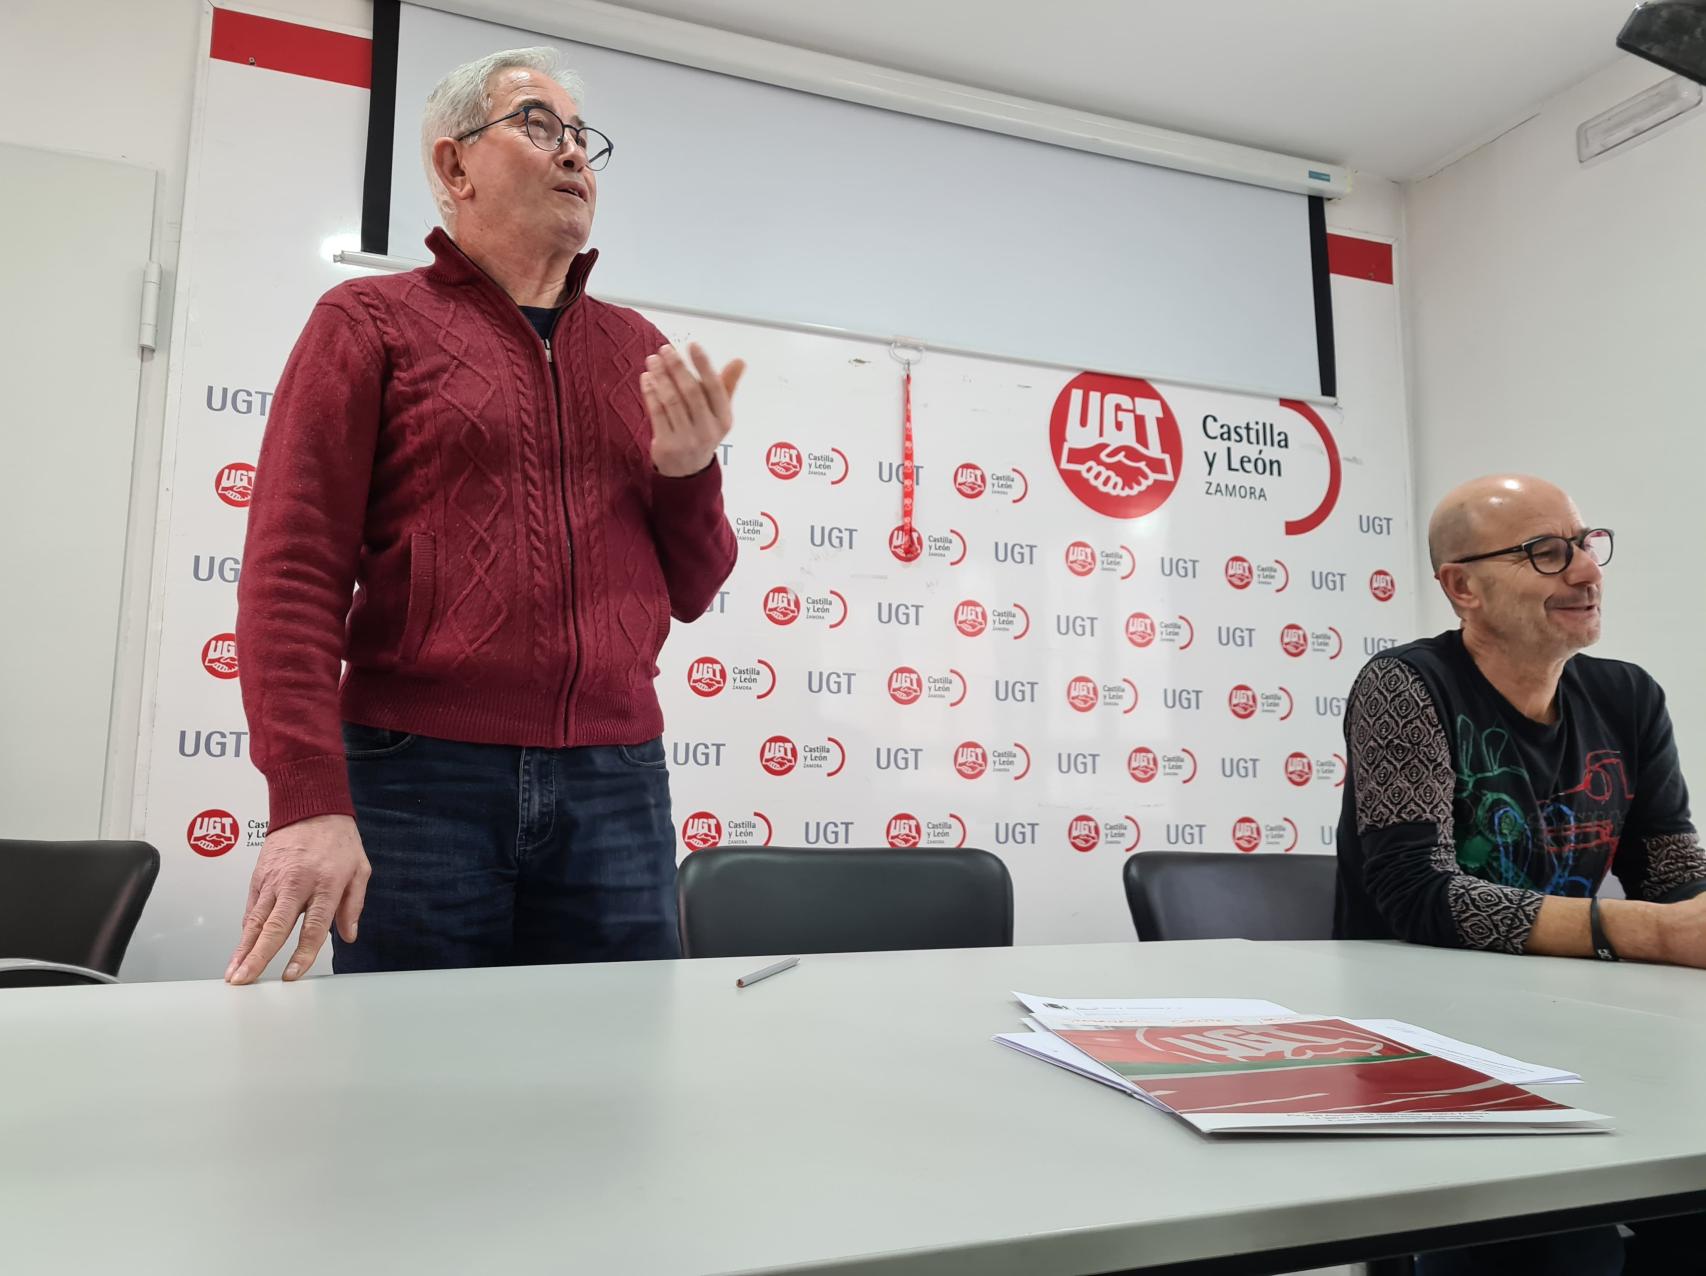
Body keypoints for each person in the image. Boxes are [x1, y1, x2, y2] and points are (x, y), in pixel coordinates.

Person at [226, 47, 742, 983]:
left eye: (583, 138)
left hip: (617, 778)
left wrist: (689, 471)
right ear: (453, 165)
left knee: (611, 1085)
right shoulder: (367, 323)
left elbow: (697, 587)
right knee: (416, 1089)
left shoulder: (639, 349)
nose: (574, 156)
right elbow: (291, 577)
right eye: (539, 127)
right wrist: (307, 800)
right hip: (418, 776)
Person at [1337, 473, 1706, 1275]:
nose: (1585, 571)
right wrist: (1639, 930)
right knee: (1560, 1251)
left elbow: (1672, 872)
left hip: (1583, 1030)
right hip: (1428, 1053)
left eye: (1584, 544)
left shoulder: (1629, 696)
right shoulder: (1405, 686)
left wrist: (1689, 918)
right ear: (1461, 587)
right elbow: (1414, 893)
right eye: (1546, 553)